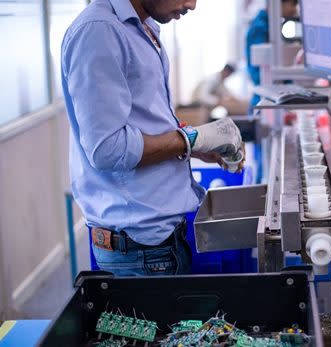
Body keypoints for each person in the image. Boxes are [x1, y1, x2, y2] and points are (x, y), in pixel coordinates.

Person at [61, 0, 244, 276]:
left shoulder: (143, 28)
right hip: (140, 251)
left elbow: (145, 119)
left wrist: (196, 146)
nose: (191, 5)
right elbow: (108, 149)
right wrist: (190, 139)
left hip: (159, 241)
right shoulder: (99, 31)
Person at [245, 0, 298, 111]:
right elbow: (260, 70)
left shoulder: (270, 25)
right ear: (280, 3)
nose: (295, 10)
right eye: (293, 4)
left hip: (269, 95)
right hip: (265, 98)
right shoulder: (261, 27)